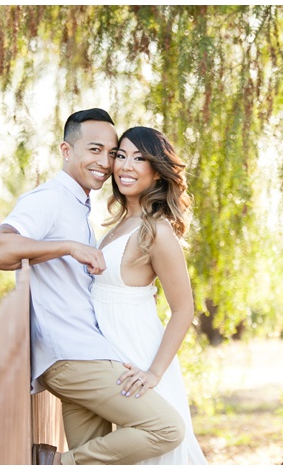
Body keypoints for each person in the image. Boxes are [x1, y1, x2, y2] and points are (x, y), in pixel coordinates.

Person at [0, 109, 185, 465]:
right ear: (66, 150)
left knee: (97, 458)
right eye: (97, 150)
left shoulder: (84, 211)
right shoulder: (50, 199)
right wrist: (67, 246)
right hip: (74, 355)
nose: (107, 162)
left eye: (112, 152)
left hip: (87, 351)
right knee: (166, 429)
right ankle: (55, 463)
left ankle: (61, 463)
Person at [92, 126, 207, 464]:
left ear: (156, 170)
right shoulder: (119, 223)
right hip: (113, 354)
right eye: (121, 156)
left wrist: (153, 373)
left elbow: (184, 309)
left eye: (138, 158)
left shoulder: (156, 230)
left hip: (139, 358)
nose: (126, 166)